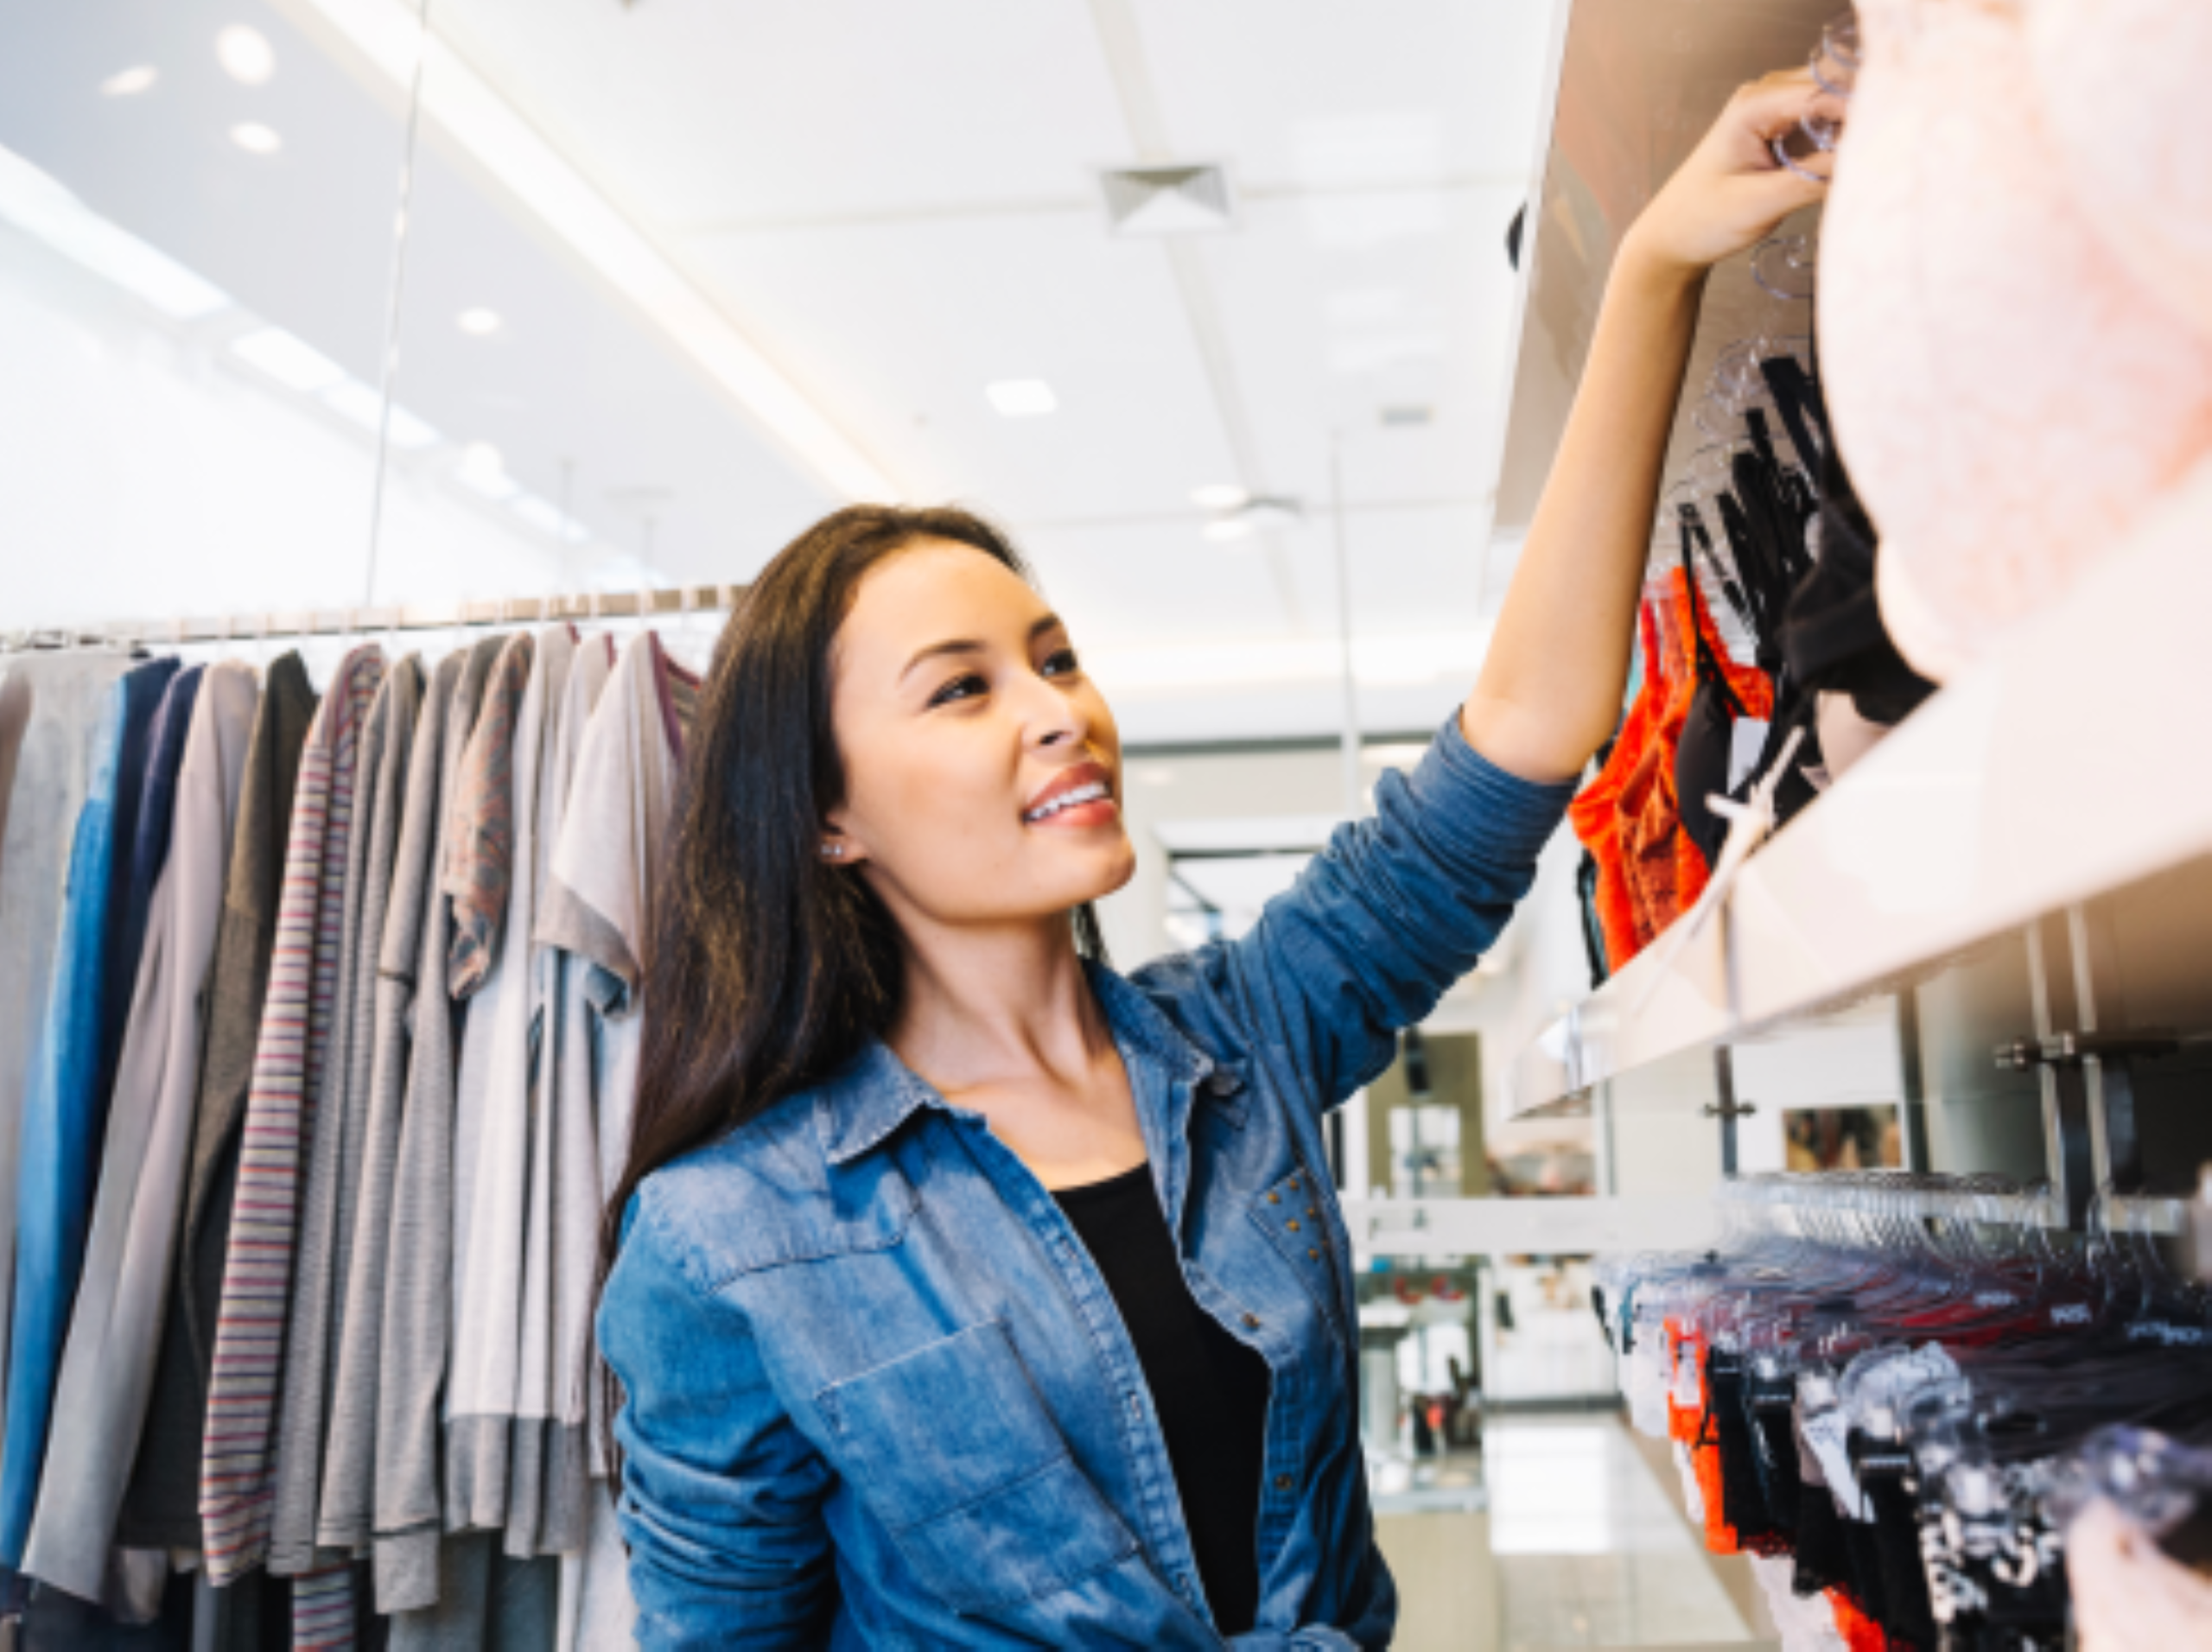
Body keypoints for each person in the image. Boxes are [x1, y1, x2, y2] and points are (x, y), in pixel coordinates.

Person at [594, 67, 1838, 1649]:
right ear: (826, 814)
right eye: (963, 690)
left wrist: (1653, 266)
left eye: (1056, 658)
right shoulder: (726, 1237)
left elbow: (1524, 732)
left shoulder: (1240, 1046)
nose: (1060, 712)